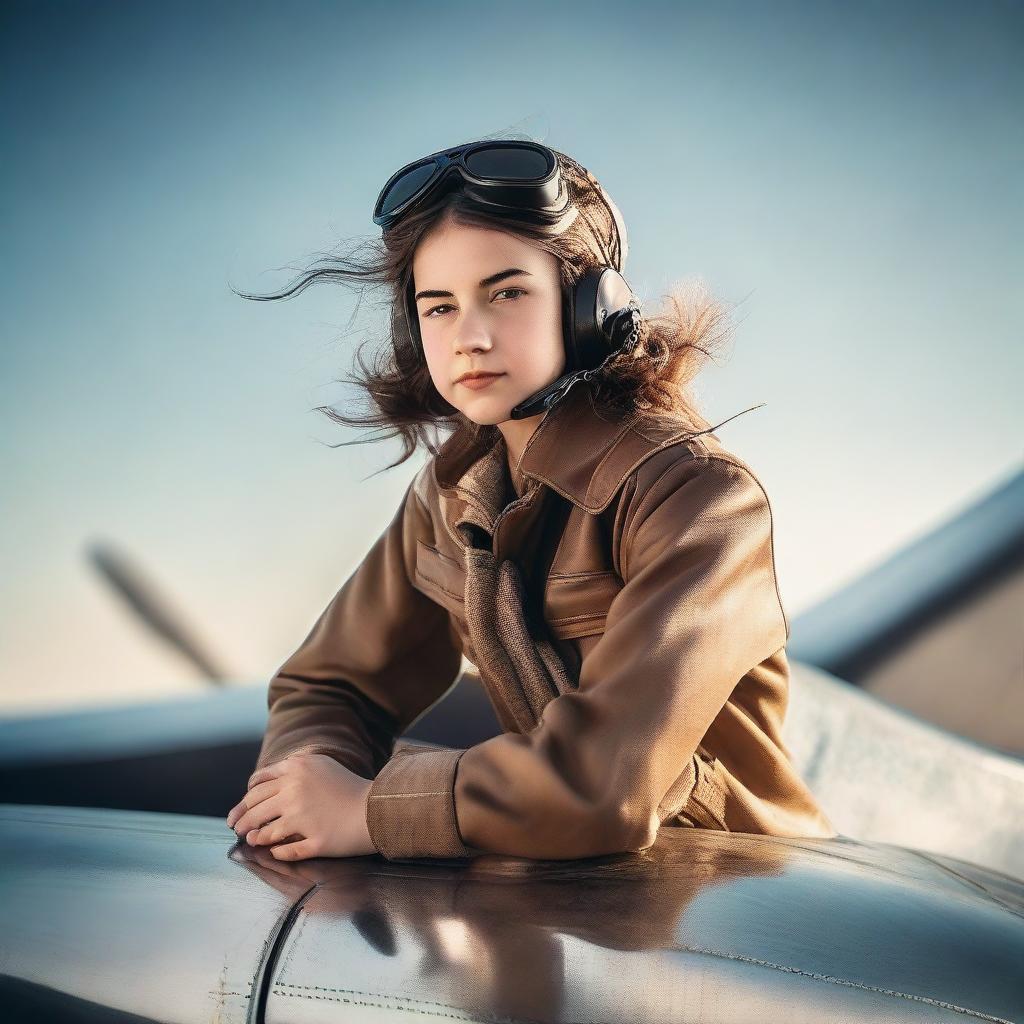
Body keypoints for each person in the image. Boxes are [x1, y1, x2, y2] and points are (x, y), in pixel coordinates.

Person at [226, 136, 837, 862]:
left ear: (590, 310)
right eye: (439, 307)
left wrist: (369, 811)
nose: (469, 338)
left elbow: (604, 785)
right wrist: (305, 789)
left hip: (751, 891)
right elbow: (327, 684)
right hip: (580, 892)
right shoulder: (452, 498)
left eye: (507, 293)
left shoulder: (700, 497)